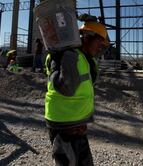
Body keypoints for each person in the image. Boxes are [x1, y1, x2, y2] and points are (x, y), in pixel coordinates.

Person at [44, 18, 109, 165]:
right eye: (99, 43)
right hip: (64, 122)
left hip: (77, 122)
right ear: (86, 37)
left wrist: (98, 24)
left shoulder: (86, 58)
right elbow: (66, 87)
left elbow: (105, 44)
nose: (100, 48)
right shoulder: (67, 55)